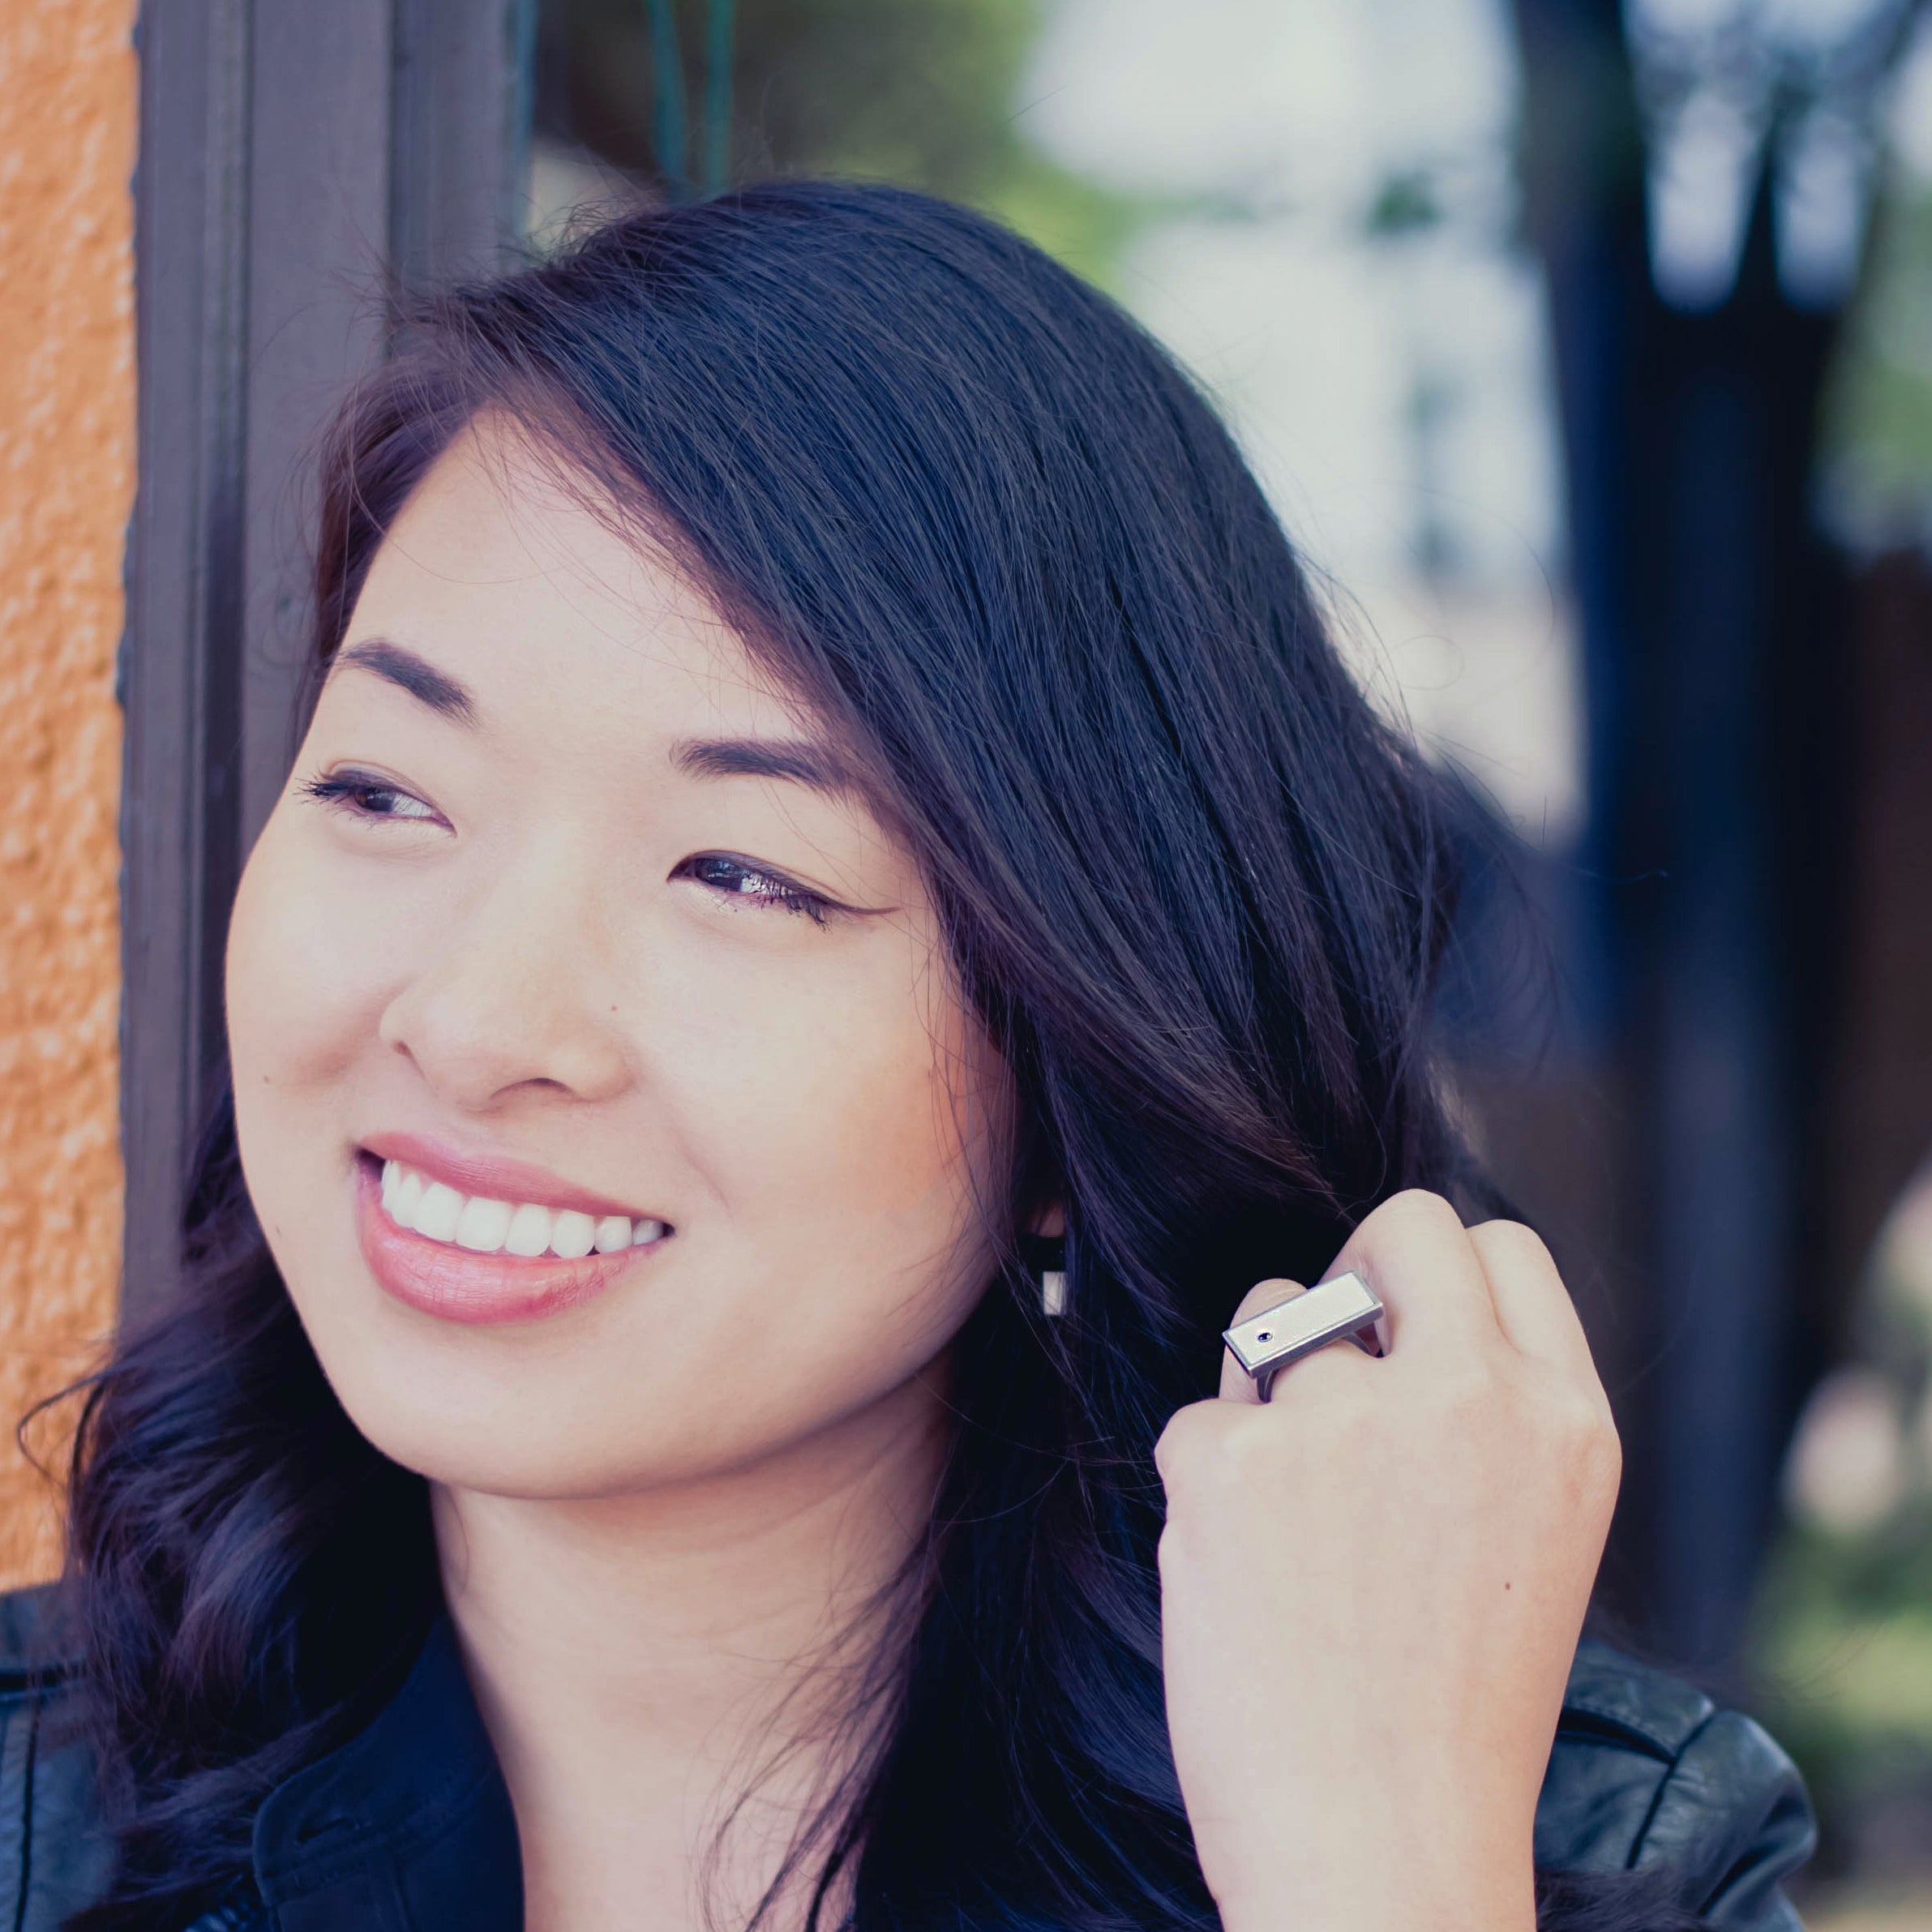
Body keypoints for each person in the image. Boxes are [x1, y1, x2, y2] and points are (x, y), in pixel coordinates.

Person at [0, 183, 1811, 1932]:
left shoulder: (1569, 1855)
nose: (473, 1026)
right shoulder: (32, 1823)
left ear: (1075, 1071)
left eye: (743, 874)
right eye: (387, 790)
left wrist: (1371, 1875)